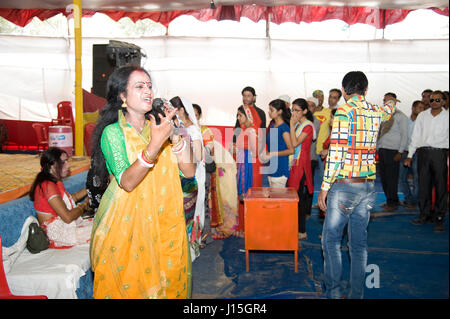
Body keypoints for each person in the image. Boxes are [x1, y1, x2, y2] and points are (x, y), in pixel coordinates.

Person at [89, 66, 195, 299]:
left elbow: (188, 171)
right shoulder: (113, 133)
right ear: (122, 97)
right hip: (126, 228)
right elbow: (127, 182)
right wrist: (155, 145)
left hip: (165, 223)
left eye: (149, 86)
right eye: (139, 86)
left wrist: (174, 133)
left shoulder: (160, 128)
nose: (148, 91)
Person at [318, 71, 397, 299]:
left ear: (343, 91)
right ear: (366, 90)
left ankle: (334, 293)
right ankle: (356, 295)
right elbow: (390, 107)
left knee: (331, 240)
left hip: (344, 186)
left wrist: (325, 186)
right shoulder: (376, 110)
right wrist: (391, 100)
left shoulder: (344, 111)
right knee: (359, 244)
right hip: (368, 187)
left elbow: (337, 150)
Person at [29, 147, 92, 248]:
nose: (68, 165)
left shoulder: (54, 182)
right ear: (53, 166)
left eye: (67, 161)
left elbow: (71, 198)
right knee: (104, 228)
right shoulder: (48, 185)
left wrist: (88, 189)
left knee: (104, 221)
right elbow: (67, 217)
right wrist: (84, 205)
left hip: (64, 228)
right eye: (63, 162)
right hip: (56, 235)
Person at [193, 104, 239, 240]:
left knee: (204, 204)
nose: (193, 117)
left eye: (195, 115)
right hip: (189, 173)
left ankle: (205, 234)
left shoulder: (205, 131)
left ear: (199, 116)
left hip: (203, 170)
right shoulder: (185, 131)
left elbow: (210, 155)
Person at [405, 90, 449, 233]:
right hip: (423, 153)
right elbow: (416, 135)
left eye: (437, 100)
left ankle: (439, 218)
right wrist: (410, 155)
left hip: (440, 154)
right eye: (432, 100)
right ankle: (424, 215)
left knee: (441, 187)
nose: (434, 103)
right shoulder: (422, 116)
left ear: (443, 102)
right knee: (423, 186)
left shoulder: (447, 117)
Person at [170, 96, 206, 260]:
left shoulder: (192, 130)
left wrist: (182, 150)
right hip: (182, 175)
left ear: (181, 110)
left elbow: (198, 156)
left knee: (192, 213)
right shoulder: (180, 128)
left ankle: (191, 251)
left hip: (193, 175)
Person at [287, 98, 316, 241]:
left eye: (296, 110)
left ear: (304, 111)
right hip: (294, 164)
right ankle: (294, 227)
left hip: (301, 165)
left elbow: (295, 142)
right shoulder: (299, 125)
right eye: (292, 110)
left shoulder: (307, 126)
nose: (294, 113)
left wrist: (291, 125)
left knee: (298, 199)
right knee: (293, 197)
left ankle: (302, 230)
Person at [376, 92, 409, 211]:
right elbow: (380, 133)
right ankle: (389, 199)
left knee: (392, 178)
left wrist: (400, 152)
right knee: (384, 177)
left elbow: (405, 135)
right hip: (382, 149)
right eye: (385, 100)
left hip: (394, 151)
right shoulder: (384, 115)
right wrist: (377, 148)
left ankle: (393, 202)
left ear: (395, 102)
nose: (386, 103)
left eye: (389, 101)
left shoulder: (401, 116)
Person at [233, 86, 266, 188]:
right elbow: (237, 129)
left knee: (252, 182)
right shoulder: (241, 110)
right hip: (241, 151)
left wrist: (258, 153)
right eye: (244, 96)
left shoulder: (260, 113)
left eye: (248, 96)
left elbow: (262, 134)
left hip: (253, 153)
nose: (246, 98)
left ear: (254, 97)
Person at [235, 106, 258, 238]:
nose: (238, 118)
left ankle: (247, 228)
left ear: (248, 116)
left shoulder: (251, 131)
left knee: (245, 195)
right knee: (243, 196)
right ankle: (243, 226)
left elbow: (254, 152)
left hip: (247, 166)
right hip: (243, 164)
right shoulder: (246, 130)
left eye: (240, 115)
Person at [261, 99, 294, 187]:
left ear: (280, 111)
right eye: (269, 110)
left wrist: (272, 153)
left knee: (278, 198)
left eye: (271, 110)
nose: (269, 112)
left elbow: (291, 150)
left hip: (280, 168)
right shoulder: (272, 126)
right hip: (271, 167)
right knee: (273, 197)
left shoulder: (284, 128)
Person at [398, 100, 425, 208]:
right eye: (419, 107)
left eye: (423, 108)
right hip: (404, 152)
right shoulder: (405, 121)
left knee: (417, 179)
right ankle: (409, 199)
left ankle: (414, 201)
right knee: (401, 178)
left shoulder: (424, 122)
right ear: (413, 108)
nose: (422, 110)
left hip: (417, 153)